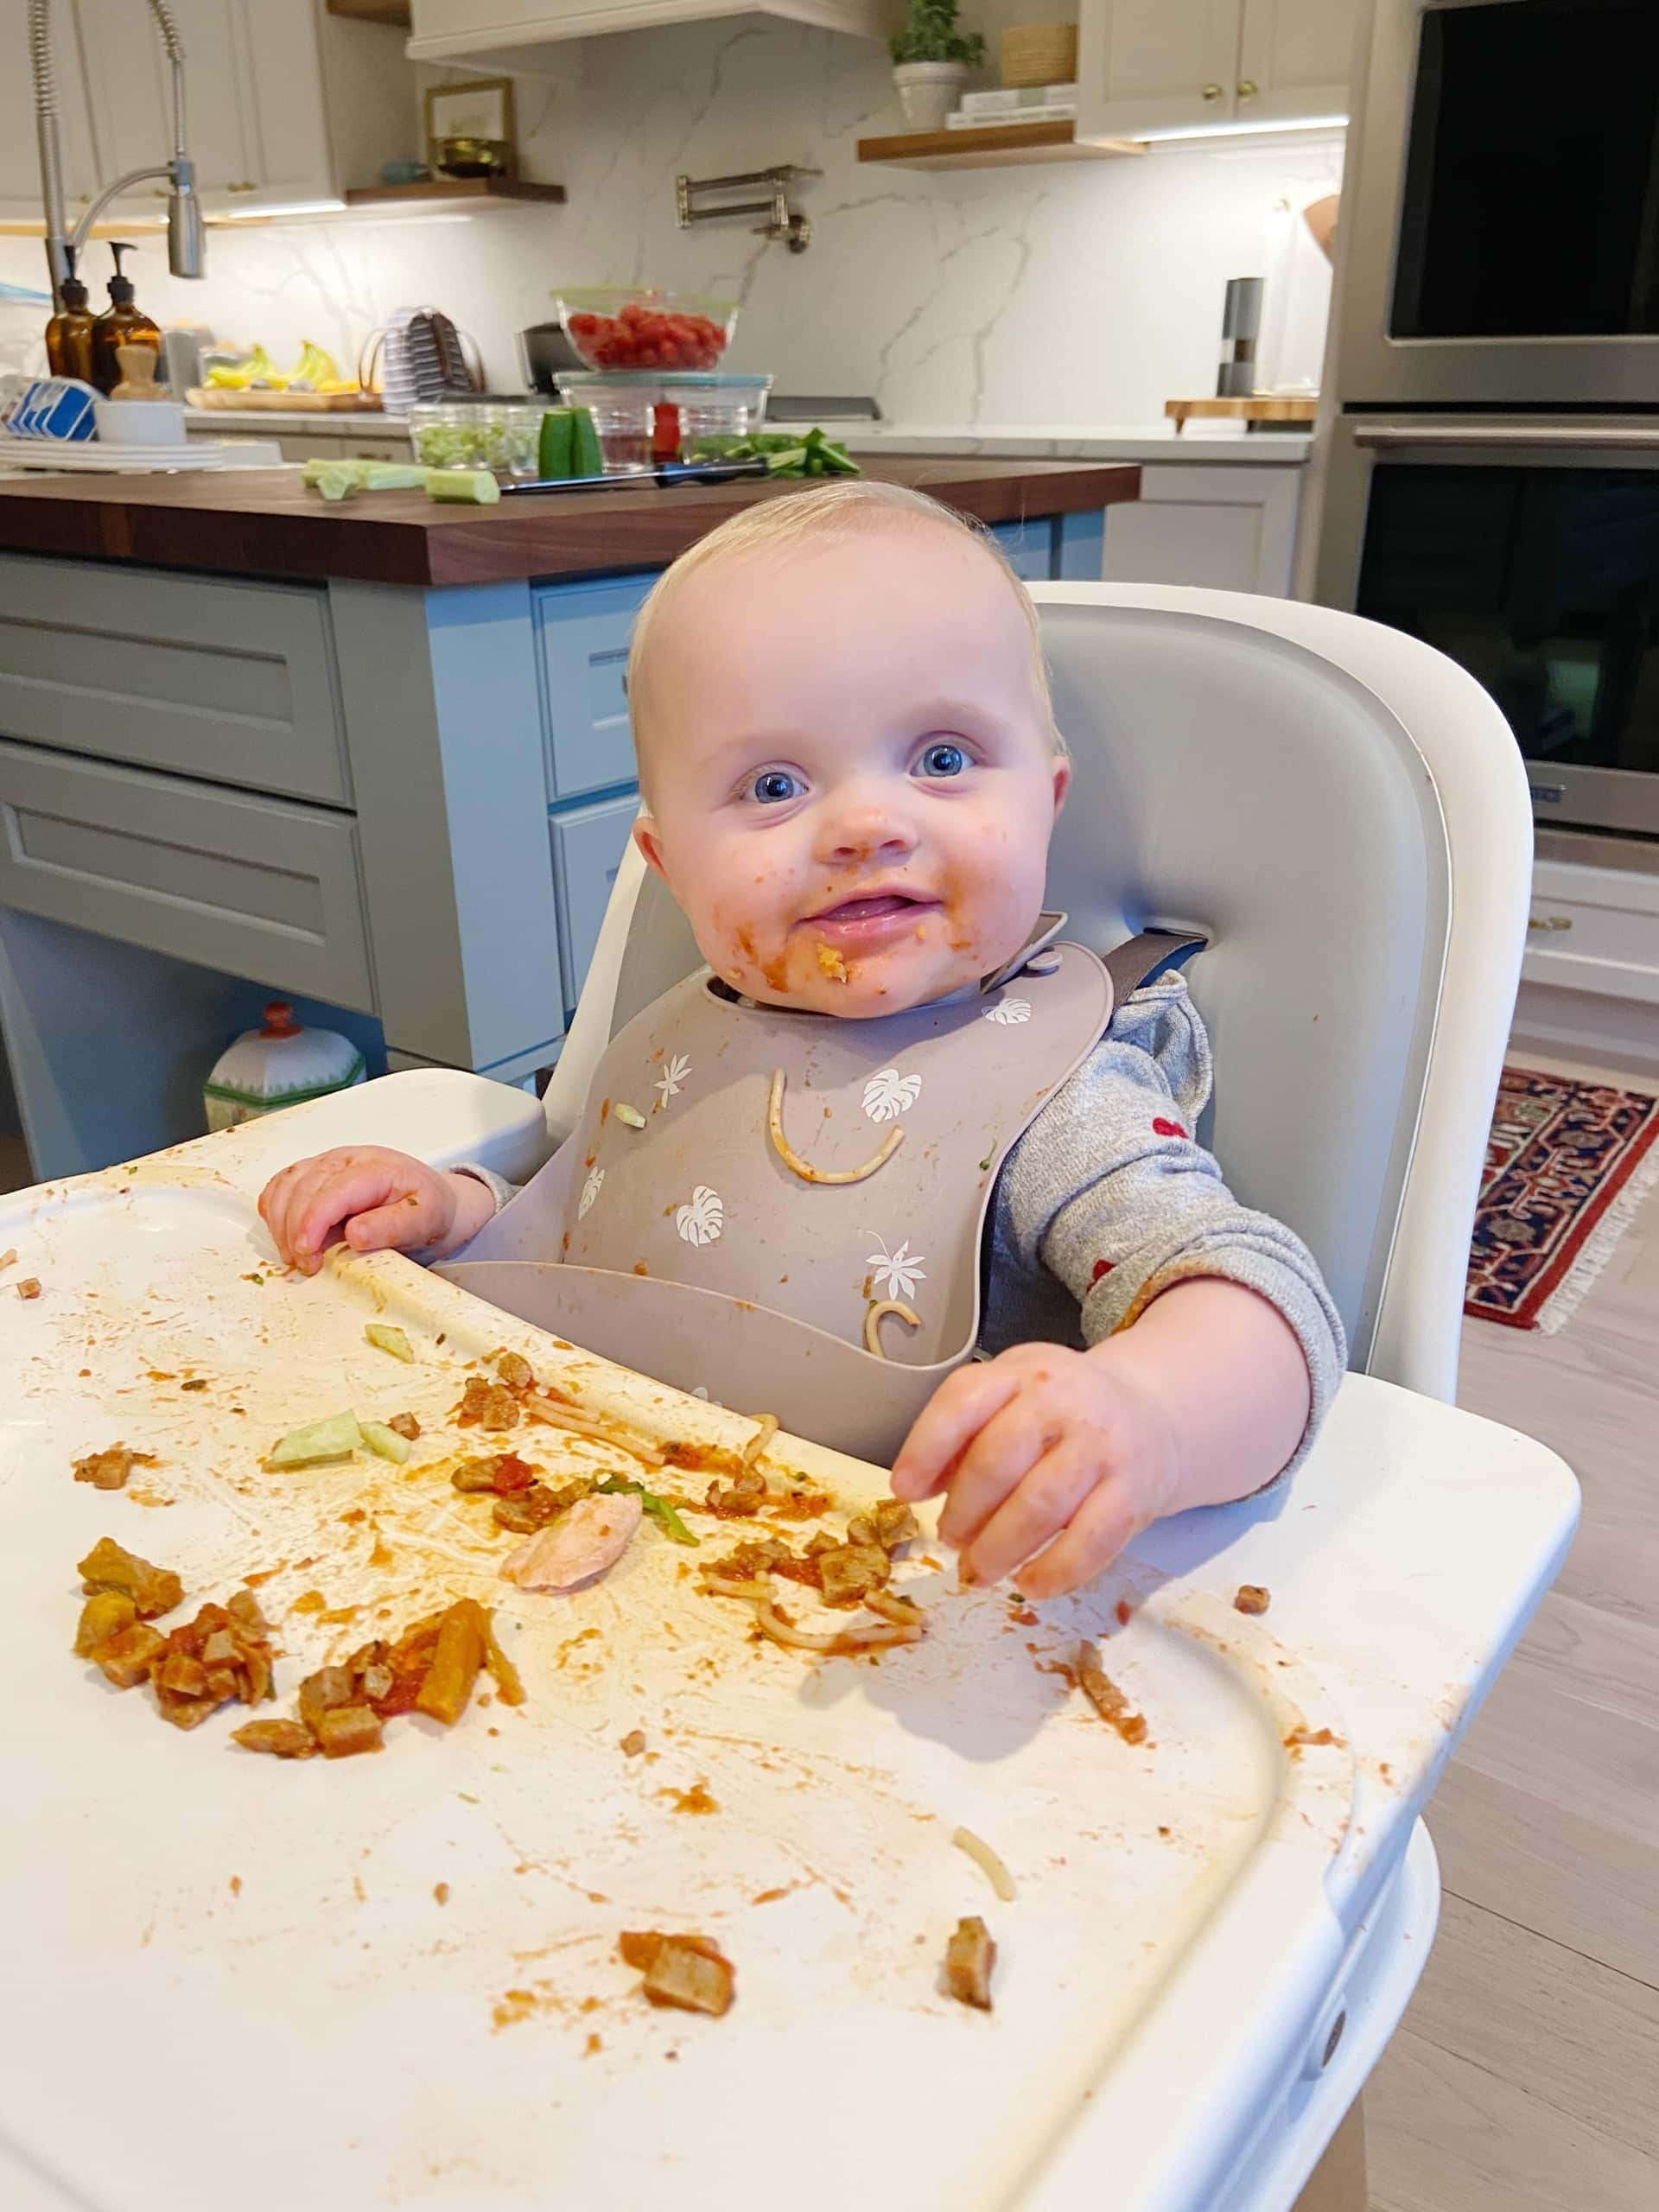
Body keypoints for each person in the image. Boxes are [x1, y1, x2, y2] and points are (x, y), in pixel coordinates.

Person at [259, 482, 1344, 1599]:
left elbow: (1253, 1298)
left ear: (1045, 802)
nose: (869, 825)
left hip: (889, 1613)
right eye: (774, 785)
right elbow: (597, 1224)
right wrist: (451, 1214)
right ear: (669, 862)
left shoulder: (1054, 1094)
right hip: (594, 1543)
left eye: (941, 759)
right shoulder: (687, 1037)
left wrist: (1150, 1417)